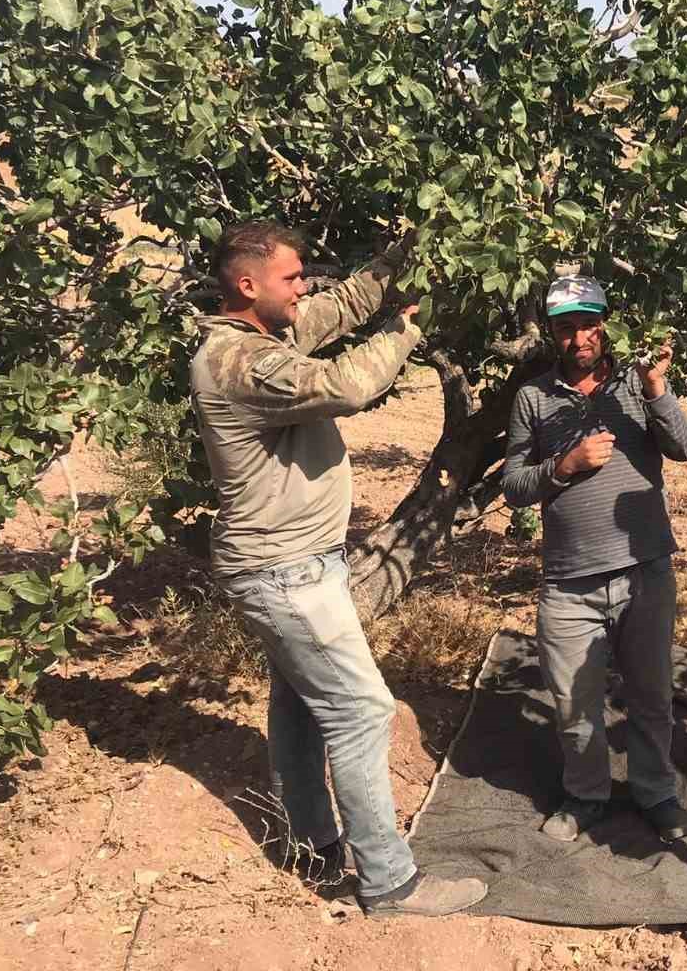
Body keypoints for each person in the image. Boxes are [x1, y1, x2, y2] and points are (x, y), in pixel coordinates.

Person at [189, 221, 488, 918]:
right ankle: (389, 882)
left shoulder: (267, 337)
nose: (303, 289)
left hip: (290, 568)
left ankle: (312, 842)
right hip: (285, 572)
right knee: (361, 710)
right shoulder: (243, 364)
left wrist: (403, 256)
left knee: (299, 705)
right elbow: (348, 385)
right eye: (291, 279)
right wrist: (407, 328)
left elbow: (345, 304)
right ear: (247, 284)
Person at [499, 274, 687, 843]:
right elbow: (513, 486)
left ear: (604, 326)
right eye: (567, 328)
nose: (580, 338)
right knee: (572, 703)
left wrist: (658, 389)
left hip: (645, 571)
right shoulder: (533, 398)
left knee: (651, 695)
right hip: (568, 582)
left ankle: (655, 793)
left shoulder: (636, 386)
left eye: (589, 325)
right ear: (551, 334)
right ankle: (586, 795)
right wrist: (562, 466)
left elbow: (685, 448)